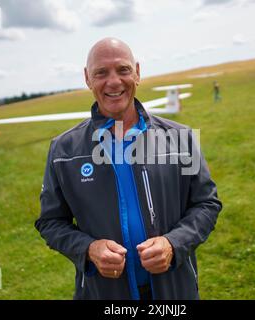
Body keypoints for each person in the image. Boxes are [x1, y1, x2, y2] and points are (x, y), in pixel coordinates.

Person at [35, 38, 222, 300]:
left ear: (137, 72)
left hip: (174, 293)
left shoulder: (181, 138)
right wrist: (88, 249)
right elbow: (50, 222)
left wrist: (173, 243)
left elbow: (207, 204)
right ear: (88, 78)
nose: (113, 82)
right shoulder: (63, 151)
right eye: (101, 73)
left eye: (123, 70)